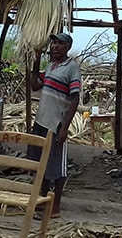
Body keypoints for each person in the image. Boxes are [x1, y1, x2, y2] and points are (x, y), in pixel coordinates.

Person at [28, 32, 81, 220]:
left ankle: (55, 206)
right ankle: (42, 203)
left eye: (60, 44)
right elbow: (34, 85)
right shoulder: (51, 66)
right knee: (41, 165)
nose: (55, 46)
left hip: (57, 124)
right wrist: (37, 60)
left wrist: (65, 127)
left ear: (67, 47)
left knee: (57, 168)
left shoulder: (71, 67)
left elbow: (75, 98)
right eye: (54, 43)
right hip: (41, 122)